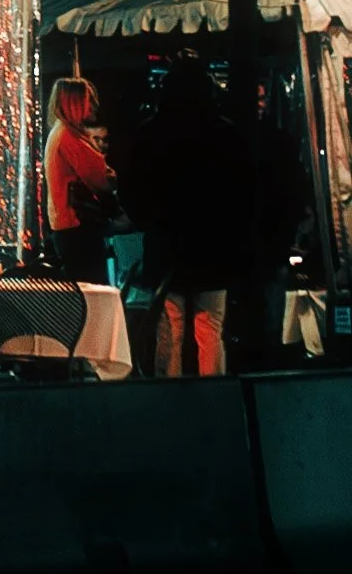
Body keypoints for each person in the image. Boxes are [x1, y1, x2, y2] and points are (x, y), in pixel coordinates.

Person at [124, 57, 258, 378]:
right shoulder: (225, 134)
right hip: (215, 245)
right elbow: (245, 191)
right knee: (210, 329)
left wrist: (150, 221)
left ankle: (169, 402)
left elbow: (131, 190)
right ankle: (214, 401)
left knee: (170, 328)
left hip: (166, 243)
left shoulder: (150, 133)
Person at [43, 75, 119, 283]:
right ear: (74, 103)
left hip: (67, 227)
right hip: (78, 228)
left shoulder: (59, 134)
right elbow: (100, 178)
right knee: (92, 292)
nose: (94, 106)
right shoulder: (68, 137)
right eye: (88, 100)